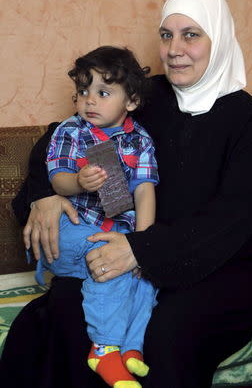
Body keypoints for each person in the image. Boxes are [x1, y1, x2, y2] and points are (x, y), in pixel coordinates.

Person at [1, 0, 252, 388]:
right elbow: (62, 134)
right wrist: (45, 192)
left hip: (219, 270)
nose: (175, 48)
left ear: (219, 39)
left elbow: (230, 220)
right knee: (64, 311)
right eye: (166, 35)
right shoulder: (149, 97)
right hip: (127, 248)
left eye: (191, 34)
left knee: (166, 334)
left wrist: (140, 250)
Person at [35, 46, 159, 388]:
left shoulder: (141, 140)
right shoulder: (70, 131)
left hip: (116, 232)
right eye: (83, 91)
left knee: (146, 277)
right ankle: (104, 350)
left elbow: (145, 190)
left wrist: (141, 245)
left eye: (103, 93)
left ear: (130, 101)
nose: (89, 100)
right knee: (107, 260)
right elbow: (56, 178)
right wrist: (77, 182)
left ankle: (132, 349)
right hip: (72, 229)